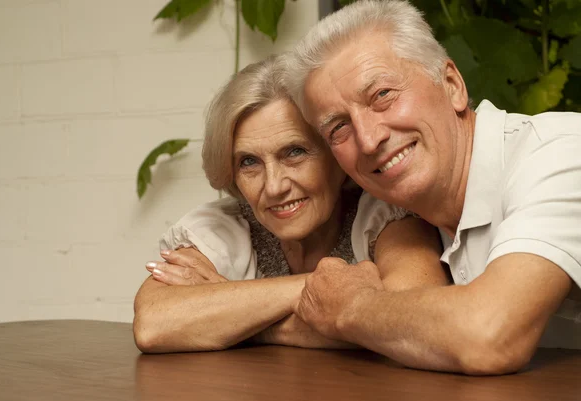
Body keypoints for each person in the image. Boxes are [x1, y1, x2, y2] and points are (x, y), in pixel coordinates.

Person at [283, 0, 581, 375]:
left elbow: (490, 335)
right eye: (338, 128)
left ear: (453, 86)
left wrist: (351, 306)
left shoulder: (561, 152)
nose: (369, 139)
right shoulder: (385, 210)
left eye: (382, 95)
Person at [133, 55, 449, 353]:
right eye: (249, 162)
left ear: (337, 154)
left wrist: (237, 314)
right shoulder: (228, 226)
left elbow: (415, 323)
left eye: (294, 152)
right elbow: (153, 324)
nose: (273, 186)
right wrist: (329, 293)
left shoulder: (384, 215)